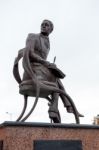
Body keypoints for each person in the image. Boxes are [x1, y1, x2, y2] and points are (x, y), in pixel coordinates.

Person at [13, 19, 83, 123]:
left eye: (46, 25)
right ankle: (59, 109)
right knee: (56, 82)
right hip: (32, 71)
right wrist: (45, 63)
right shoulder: (32, 36)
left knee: (56, 79)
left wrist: (49, 65)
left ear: (51, 29)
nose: (43, 26)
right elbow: (30, 53)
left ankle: (59, 109)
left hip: (42, 71)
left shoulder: (47, 42)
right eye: (42, 24)